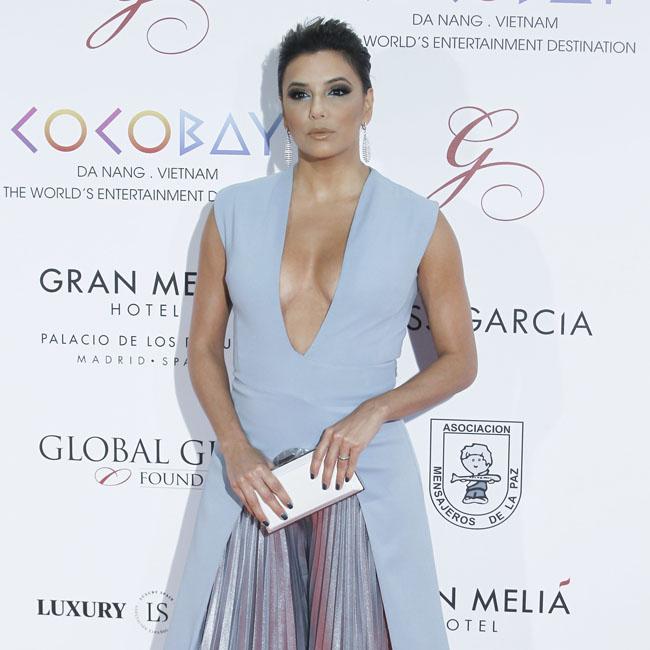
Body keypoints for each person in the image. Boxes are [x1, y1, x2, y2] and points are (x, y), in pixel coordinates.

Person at [164, 16, 477, 650]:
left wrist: (376, 411)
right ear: (281, 107)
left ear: (368, 102)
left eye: (337, 91)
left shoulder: (419, 221)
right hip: (254, 482)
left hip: (362, 474)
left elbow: (459, 361)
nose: (317, 111)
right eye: (299, 93)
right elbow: (202, 348)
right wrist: (235, 448)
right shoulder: (231, 212)